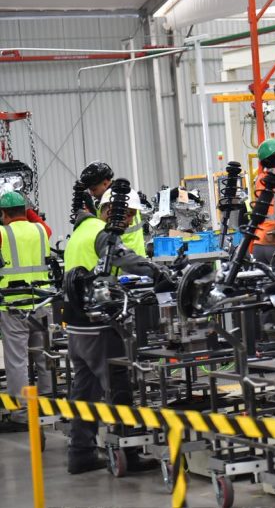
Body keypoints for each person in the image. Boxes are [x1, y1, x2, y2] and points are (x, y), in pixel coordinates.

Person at [63, 188, 167, 474]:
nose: (129, 220)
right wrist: (158, 272)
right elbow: (125, 258)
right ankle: (128, 454)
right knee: (118, 387)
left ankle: (80, 454)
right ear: (110, 209)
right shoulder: (101, 233)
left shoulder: (79, 232)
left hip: (76, 324)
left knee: (84, 392)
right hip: (99, 324)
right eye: (128, 213)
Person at [0, 191, 52, 427]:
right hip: (41, 304)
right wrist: (28, 210)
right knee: (44, 357)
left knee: (17, 362)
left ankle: (21, 414)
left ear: (4, 214)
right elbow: (43, 226)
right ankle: (48, 405)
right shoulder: (41, 230)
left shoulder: (3, 233)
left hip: (13, 307)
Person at [78, 162, 147, 256]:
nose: (92, 194)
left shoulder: (112, 199)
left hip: (121, 258)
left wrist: (89, 209)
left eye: (94, 189)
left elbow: (101, 230)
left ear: (105, 183)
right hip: (135, 256)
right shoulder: (126, 194)